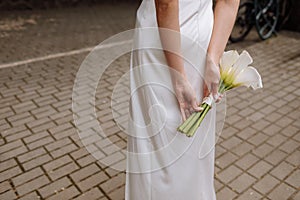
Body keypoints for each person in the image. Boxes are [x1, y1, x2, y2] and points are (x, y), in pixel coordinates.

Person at [125, 0, 239, 199]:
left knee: (159, 144)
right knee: (193, 139)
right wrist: (213, 57)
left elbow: (166, 3)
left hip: (160, 37)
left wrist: (178, 75)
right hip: (201, 41)